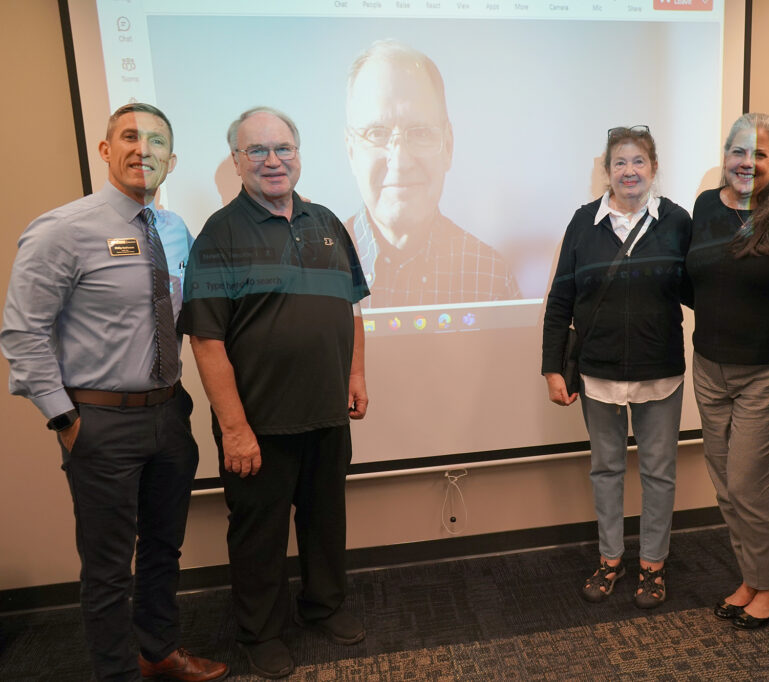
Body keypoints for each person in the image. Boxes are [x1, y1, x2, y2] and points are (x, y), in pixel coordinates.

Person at [1, 103, 227, 681]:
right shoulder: (63, 229)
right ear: (106, 151)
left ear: (170, 162)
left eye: (156, 142)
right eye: (129, 137)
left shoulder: (175, 230)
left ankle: (158, 654)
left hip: (169, 416)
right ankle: (115, 675)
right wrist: (65, 420)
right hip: (99, 421)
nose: (142, 150)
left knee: (162, 551)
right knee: (106, 571)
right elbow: (22, 333)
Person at [179, 107, 370, 678]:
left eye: (282, 147)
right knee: (258, 536)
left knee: (324, 520)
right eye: (257, 151)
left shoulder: (329, 221)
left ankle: (324, 606)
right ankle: (260, 633)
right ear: (237, 162)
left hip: (327, 412)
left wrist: (356, 376)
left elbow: (352, 310)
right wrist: (234, 429)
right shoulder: (219, 234)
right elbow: (206, 340)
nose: (272, 160)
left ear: (299, 153)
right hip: (257, 424)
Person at [541, 125, 692, 609]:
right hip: (598, 372)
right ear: (606, 172)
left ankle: (653, 565)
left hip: (660, 371)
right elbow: (560, 297)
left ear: (653, 168)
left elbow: (699, 287)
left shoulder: (677, 221)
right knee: (605, 469)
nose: (630, 171)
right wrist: (552, 368)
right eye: (620, 163)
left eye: (639, 161)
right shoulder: (584, 223)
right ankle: (610, 559)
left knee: (659, 472)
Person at [684, 113, 769, 629]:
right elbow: (695, 278)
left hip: (768, 371)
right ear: (725, 155)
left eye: (759, 154)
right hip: (709, 366)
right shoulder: (706, 205)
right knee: (725, 487)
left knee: (751, 487)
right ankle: (752, 577)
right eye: (738, 152)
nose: (746, 163)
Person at [344, 39, 521, 306]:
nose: (400, 161)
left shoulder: (490, 276)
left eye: (420, 132)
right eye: (376, 133)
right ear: (351, 151)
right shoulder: (308, 271)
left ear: (448, 146)